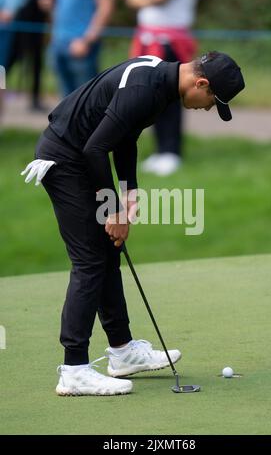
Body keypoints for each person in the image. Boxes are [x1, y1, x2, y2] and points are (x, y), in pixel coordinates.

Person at [21, 52, 245, 396]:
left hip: (80, 156)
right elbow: (95, 149)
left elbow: (124, 137)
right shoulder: (146, 88)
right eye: (213, 101)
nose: (209, 108)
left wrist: (128, 191)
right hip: (65, 158)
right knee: (90, 261)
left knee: (107, 255)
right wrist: (115, 212)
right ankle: (74, 369)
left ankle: (123, 352)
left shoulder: (162, 83)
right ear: (200, 83)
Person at [125, 0, 201, 176]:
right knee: (152, 97)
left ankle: (171, 152)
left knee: (171, 96)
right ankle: (161, 150)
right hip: (147, 38)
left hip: (170, 41)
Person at [46, 0, 115, 97]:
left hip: (82, 44)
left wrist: (86, 41)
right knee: (65, 103)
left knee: (87, 100)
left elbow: (105, 6)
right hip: (59, 42)